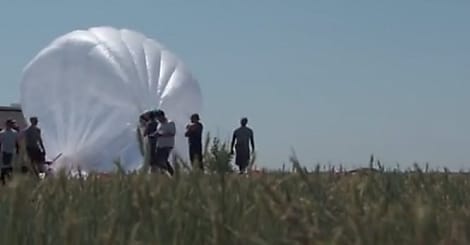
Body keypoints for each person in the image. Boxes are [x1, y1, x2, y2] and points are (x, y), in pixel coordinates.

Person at [152, 110, 175, 175]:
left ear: (162, 116)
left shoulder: (170, 123)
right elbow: (158, 132)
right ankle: (170, 173)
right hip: (159, 145)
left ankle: (168, 174)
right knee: (159, 161)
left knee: (162, 160)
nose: (157, 119)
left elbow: (172, 134)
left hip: (167, 145)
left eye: (158, 117)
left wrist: (161, 135)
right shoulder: (159, 124)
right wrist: (153, 135)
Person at [0, 119, 18, 184]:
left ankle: (7, 178)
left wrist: (17, 149)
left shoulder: (15, 133)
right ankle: (3, 179)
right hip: (4, 150)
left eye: (12, 124)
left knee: (9, 165)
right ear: (7, 124)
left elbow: (16, 142)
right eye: (10, 123)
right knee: (4, 165)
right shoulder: (2, 133)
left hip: (12, 151)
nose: (11, 125)